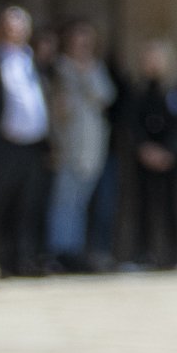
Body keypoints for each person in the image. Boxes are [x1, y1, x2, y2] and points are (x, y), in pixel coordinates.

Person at [0, 3, 51, 277]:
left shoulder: (32, 60)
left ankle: (24, 259)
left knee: (28, 204)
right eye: (10, 25)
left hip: (32, 146)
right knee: (1, 202)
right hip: (4, 145)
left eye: (21, 25)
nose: (16, 30)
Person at [43, 19, 115, 274]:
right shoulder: (61, 68)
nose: (82, 45)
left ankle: (76, 250)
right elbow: (58, 108)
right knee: (64, 202)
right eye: (78, 40)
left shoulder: (95, 68)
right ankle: (61, 251)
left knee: (81, 202)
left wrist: (86, 72)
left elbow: (106, 96)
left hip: (92, 145)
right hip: (68, 143)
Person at [119, 39, 177, 269]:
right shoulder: (139, 89)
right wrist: (144, 148)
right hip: (144, 156)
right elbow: (132, 122)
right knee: (144, 206)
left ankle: (175, 256)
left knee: (171, 206)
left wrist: (169, 151)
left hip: (171, 159)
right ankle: (143, 255)